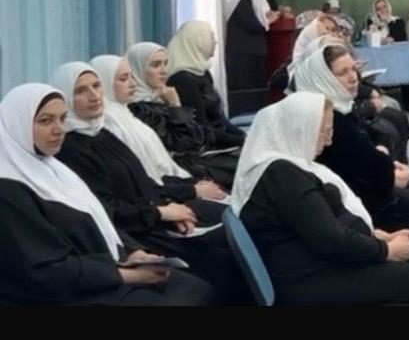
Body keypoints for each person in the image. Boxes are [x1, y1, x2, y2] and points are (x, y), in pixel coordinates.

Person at [51, 62, 248, 304]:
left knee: (232, 244)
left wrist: (172, 211)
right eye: (80, 91)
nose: (93, 95)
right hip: (135, 234)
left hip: (152, 221)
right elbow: (105, 209)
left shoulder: (102, 133)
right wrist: (161, 212)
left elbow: (143, 183)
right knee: (221, 265)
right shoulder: (69, 148)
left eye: (96, 86)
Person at [0, 84, 213, 305]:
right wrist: (128, 275)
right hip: (59, 294)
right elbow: (45, 270)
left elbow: (97, 217)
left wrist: (131, 251)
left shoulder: (52, 169)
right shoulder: (7, 189)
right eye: (45, 121)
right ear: (17, 125)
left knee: (196, 287)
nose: (59, 129)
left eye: (62, 119)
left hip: (96, 270)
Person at [231, 92, 409, 306]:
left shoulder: (290, 166)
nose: (329, 140)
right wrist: (386, 251)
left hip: (315, 261)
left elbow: (326, 223)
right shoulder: (282, 175)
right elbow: (329, 239)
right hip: (307, 278)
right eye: (324, 131)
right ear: (300, 129)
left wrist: (381, 237)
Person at [293, 42, 409, 266]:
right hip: (352, 200)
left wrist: (383, 158)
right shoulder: (331, 117)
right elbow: (370, 166)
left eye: (354, 69)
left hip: (364, 186)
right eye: (342, 73)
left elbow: (377, 139)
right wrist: (389, 169)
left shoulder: (342, 106)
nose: (353, 78)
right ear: (322, 78)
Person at [125, 42, 240, 189]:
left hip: (197, 160)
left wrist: (240, 140)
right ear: (138, 69)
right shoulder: (138, 109)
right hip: (180, 170)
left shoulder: (159, 98)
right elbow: (183, 143)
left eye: (165, 64)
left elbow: (200, 132)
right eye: (155, 65)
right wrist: (175, 105)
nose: (164, 71)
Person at [165, 20, 245, 148]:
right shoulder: (182, 80)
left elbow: (219, 118)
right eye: (211, 37)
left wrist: (244, 136)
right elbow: (201, 127)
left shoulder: (203, 73)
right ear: (197, 41)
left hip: (220, 138)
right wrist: (240, 141)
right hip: (206, 145)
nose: (215, 42)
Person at [223, 0, 278, 95]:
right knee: (247, 92)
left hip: (250, 51)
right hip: (245, 52)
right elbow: (252, 24)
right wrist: (269, 20)